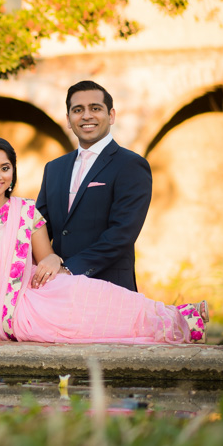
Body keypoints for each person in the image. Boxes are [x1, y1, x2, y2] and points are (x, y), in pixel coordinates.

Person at [0, 137, 207, 344]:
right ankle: (179, 321)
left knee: (100, 297)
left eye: (5, 168)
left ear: (13, 172)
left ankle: (179, 318)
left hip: (42, 292)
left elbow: (46, 260)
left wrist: (53, 259)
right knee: (83, 306)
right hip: (3, 312)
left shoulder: (25, 211)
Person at [36, 80, 151, 291]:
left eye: (95, 108)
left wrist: (68, 269)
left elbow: (121, 235)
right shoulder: (54, 168)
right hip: (58, 291)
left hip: (109, 289)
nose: (86, 115)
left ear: (111, 116)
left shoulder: (130, 165)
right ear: (69, 120)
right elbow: (38, 228)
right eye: (77, 110)